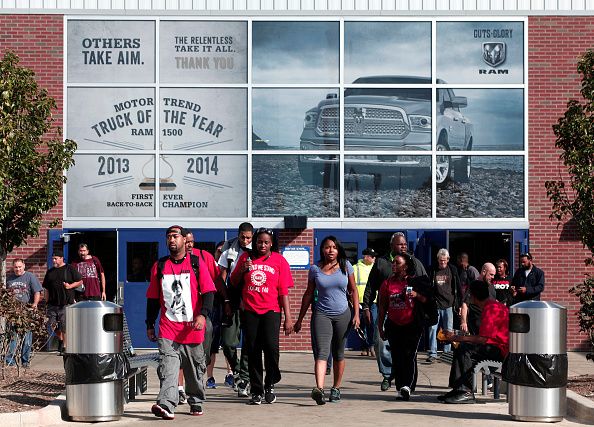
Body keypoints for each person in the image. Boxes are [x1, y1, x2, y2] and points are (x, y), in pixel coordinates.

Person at [146, 225, 216, 419]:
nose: (171, 240)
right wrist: (149, 323)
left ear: (185, 240)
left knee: (194, 369)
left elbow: (209, 292)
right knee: (168, 366)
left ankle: (196, 400)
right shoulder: (160, 266)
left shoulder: (196, 263)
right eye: (168, 237)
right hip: (168, 327)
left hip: (192, 327)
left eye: (175, 236)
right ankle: (166, 404)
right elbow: (153, 298)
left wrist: (202, 315)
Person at [230, 227, 294, 405]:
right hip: (250, 311)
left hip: (271, 311)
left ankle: (270, 384)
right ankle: (257, 391)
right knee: (253, 351)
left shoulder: (279, 261)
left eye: (266, 242)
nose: (262, 245)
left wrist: (288, 318)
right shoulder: (245, 258)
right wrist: (242, 269)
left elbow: (283, 292)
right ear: (254, 242)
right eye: (259, 242)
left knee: (272, 349)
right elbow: (234, 282)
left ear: (271, 243)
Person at [294, 236, 360, 405]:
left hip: (343, 314)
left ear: (338, 250)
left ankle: (336, 388)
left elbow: (353, 291)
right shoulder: (315, 269)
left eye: (334, 247)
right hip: (321, 314)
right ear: (322, 250)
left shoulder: (346, 266)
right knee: (322, 352)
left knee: (338, 353)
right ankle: (319, 389)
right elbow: (308, 294)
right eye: (327, 247)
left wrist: (357, 314)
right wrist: (300, 319)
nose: (330, 250)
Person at [363, 232, 427, 391]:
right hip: (386, 311)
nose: (403, 246)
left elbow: (426, 286)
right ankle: (387, 375)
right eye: (400, 244)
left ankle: (407, 384)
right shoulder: (382, 263)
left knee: (407, 352)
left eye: (405, 244)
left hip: (410, 315)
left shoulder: (415, 263)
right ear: (392, 246)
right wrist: (366, 306)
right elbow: (371, 285)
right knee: (381, 343)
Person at [438, 280, 509, 404]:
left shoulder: (491, 309)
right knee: (463, 347)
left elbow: (483, 339)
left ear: (473, 296)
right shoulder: (491, 305)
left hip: (501, 352)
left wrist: (457, 338)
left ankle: (466, 392)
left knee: (465, 349)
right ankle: (458, 389)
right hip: (497, 348)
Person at [218, 222, 253, 397]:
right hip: (232, 297)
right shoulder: (229, 249)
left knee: (249, 343)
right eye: (243, 237)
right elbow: (220, 277)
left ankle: (244, 378)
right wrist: (225, 300)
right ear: (238, 235)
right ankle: (238, 370)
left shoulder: (257, 249)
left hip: (252, 299)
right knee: (228, 342)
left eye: (248, 238)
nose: (245, 241)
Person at [42, 250, 83, 354]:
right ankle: (60, 339)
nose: (54, 260)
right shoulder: (50, 271)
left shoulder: (69, 269)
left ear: (61, 258)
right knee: (52, 325)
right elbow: (46, 287)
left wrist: (70, 286)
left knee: (65, 326)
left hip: (66, 302)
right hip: (52, 303)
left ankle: (65, 347)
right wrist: (46, 301)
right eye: (53, 258)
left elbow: (80, 281)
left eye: (55, 258)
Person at [426, 248, 462, 363]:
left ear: (448, 259)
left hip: (449, 304)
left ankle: (446, 354)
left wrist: (459, 304)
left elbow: (458, 287)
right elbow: (428, 286)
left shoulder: (453, 270)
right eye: (441, 260)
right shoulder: (432, 270)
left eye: (444, 260)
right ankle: (433, 353)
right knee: (432, 328)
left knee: (448, 330)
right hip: (436, 304)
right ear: (437, 259)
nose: (442, 263)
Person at [5, 259, 42, 367]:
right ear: (13, 267)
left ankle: (25, 361)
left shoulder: (30, 276)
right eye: (16, 267)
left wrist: (35, 304)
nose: (18, 269)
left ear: (24, 266)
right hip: (13, 312)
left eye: (20, 266)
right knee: (12, 337)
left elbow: (37, 292)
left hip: (26, 312)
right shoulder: (9, 279)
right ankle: (10, 361)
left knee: (27, 338)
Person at [460, 263, 496, 335]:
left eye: (494, 275)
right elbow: (465, 304)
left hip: (490, 324)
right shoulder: (474, 285)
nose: (493, 277)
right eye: (491, 274)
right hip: (476, 324)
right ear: (484, 272)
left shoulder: (492, 287)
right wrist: (463, 322)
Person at [353, 247, 377, 356]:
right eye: (372, 257)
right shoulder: (355, 268)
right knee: (361, 325)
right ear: (366, 257)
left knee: (373, 324)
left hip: (373, 301)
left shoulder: (376, 268)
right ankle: (364, 347)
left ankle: (372, 346)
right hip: (360, 301)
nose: (374, 258)